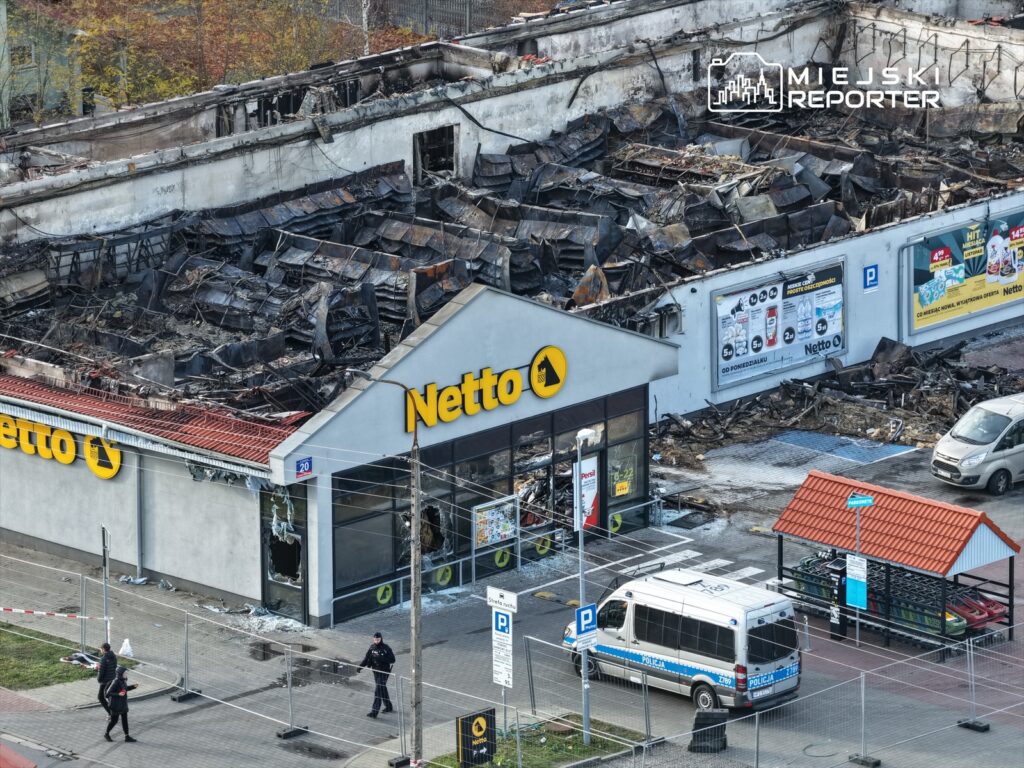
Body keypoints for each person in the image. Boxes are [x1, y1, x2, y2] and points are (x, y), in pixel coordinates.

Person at [357, 631, 395, 718]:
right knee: (382, 688)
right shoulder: (372, 648)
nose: (376, 641)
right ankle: (389, 706)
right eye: (375, 639)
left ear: (381, 639)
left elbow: (393, 660)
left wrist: (380, 658)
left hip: (384, 672)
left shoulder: (386, 648)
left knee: (378, 691)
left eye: (378, 639)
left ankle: (374, 712)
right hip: (375, 672)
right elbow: (366, 659)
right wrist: (360, 667)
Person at [103, 666, 138, 743]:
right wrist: (118, 694)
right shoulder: (115, 681)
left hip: (123, 703)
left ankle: (127, 736)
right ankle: (106, 734)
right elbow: (107, 694)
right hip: (115, 705)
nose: (126, 674)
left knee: (125, 720)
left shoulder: (123, 680)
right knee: (114, 721)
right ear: (120, 674)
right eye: (125, 673)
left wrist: (133, 687)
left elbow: (124, 689)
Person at [96, 642, 117, 715]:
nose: (100, 650)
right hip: (112, 679)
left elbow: (101, 672)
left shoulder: (103, 659)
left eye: (101, 649)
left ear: (104, 649)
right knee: (109, 696)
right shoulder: (113, 656)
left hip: (105, 681)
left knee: (101, 697)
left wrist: (99, 679)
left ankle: (111, 713)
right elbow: (114, 667)